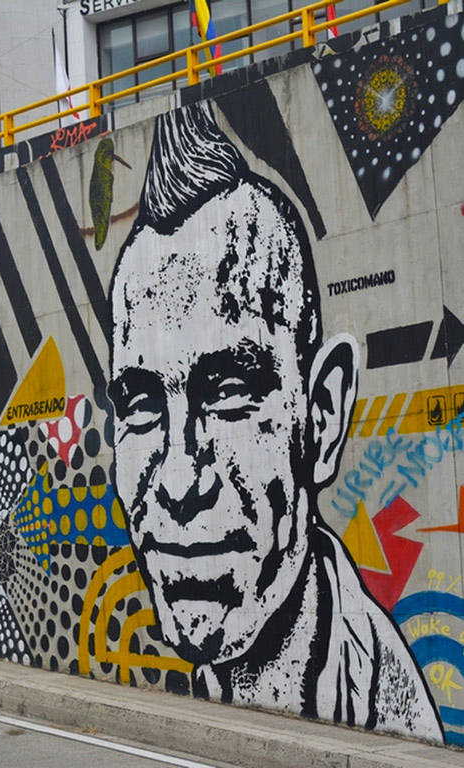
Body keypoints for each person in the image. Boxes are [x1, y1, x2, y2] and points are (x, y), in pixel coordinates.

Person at [107, 102, 442, 740]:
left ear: (322, 416)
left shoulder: (388, 711)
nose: (178, 481)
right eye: (141, 406)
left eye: (230, 394)